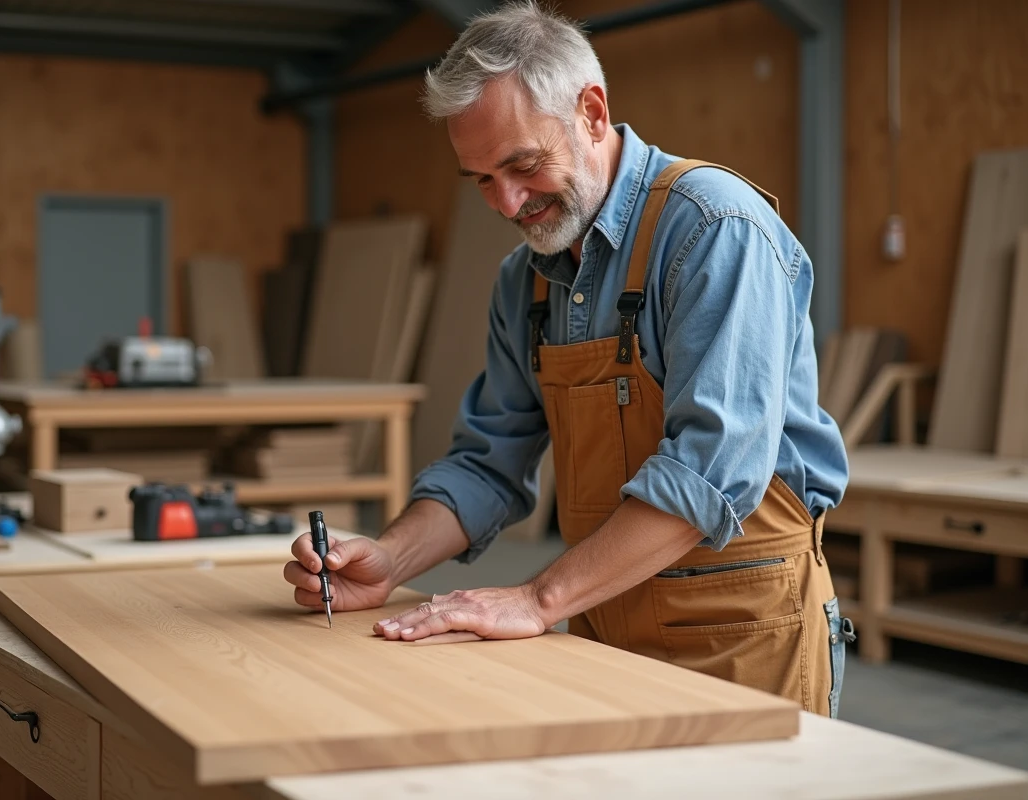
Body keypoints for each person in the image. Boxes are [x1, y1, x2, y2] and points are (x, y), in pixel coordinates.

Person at [283, 0, 854, 717]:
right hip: (602, 626)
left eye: (523, 165)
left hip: (742, 635)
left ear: (590, 112)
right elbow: (489, 461)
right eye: (482, 179)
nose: (508, 202)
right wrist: (388, 561)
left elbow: (710, 473)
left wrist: (537, 597)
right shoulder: (525, 282)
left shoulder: (713, 230)